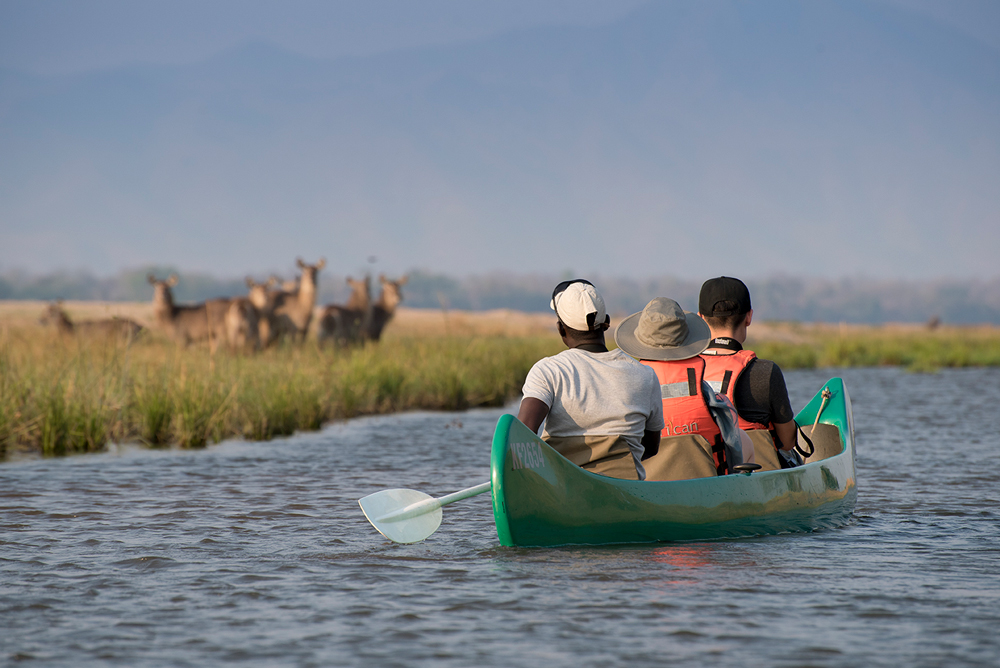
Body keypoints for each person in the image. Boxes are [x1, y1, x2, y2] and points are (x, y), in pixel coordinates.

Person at [517, 279, 663, 481]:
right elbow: (651, 447)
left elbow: (521, 436)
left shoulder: (548, 370)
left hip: (562, 490)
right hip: (625, 492)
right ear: (607, 322)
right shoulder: (645, 374)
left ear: (560, 329)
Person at [614, 297, 753, 479]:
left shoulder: (628, 392)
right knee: (746, 442)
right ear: (686, 340)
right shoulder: (708, 395)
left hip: (646, 490)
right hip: (707, 487)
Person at [698, 276, 799, 469]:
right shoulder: (766, 371)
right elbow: (787, 443)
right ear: (749, 317)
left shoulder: (685, 372)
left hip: (699, 474)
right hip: (757, 480)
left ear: (701, 319)